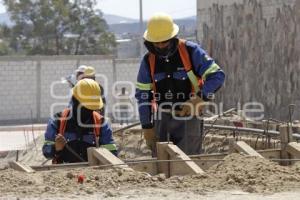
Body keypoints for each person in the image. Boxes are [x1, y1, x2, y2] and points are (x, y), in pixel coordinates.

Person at [135, 12, 225, 156]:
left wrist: (200, 98)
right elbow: (143, 95)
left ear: (172, 38)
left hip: (189, 117)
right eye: (156, 42)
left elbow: (217, 76)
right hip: (162, 118)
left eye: (164, 41)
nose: (159, 46)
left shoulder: (191, 51)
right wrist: (147, 126)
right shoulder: (148, 61)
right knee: (161, 165)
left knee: (189, 162)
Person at [42, 79, 117, 163]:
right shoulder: (57, 121)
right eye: (86, 107)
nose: (88, 111)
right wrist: (55, 147)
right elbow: (46, 152)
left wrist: (105, 153)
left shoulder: (101, 123)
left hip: (93, 173)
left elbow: (112, 154)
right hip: (64, 173)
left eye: (92, 108)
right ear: (75, 100)